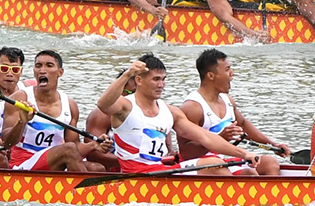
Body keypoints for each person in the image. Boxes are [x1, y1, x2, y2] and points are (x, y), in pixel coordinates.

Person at [96, 54, 260, 174]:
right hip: (137, 175)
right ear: (138, 80)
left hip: (161, 170)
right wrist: (127, 74)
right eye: (156, 79)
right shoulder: (125, 106)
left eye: (163, 79)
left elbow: (206, 137)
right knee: (214, 164)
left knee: (239, 166)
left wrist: (244, 153)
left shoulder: (171, 111)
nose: (161, 85)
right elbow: (103, 104)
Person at [178, 49, 289, 176]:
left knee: (270, 162)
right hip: (197, 166)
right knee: (249, 173)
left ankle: (271, 189)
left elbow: (243, 124)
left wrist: (272, 144)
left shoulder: (227, 100)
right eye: (227, 69)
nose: (232, 73)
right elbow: (186, 152)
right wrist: (220, 137)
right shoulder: (193, 107)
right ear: (211, 76)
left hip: (221, 161)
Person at [0, 50, 111, 171]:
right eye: (38, 66)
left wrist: (93, 145)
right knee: (68, 149)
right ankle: (81, 184)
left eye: (49, 65)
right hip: (23, 164)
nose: (42, 70)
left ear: (60, 72)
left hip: (55, 160)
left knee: (97, 168)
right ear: (34, 71)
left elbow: (75, 145)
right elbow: (7, 143)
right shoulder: (19, 99)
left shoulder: (70, 105)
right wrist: (22, 122)